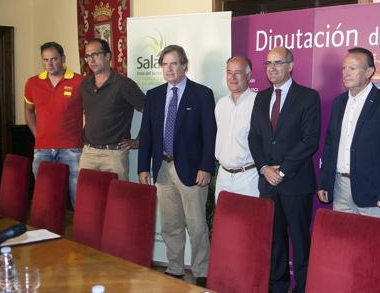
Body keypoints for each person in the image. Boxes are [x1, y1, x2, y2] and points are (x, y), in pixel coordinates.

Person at [137, 45, 216, 287]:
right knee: (170, 224)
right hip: (162, 168)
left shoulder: (202, 94)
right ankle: (175, 267)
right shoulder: (154, 95)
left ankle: (202, 270)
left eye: (174, 63)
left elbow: (209, 134)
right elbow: (147, 134)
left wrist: (206, 167)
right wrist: (143, 167)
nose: (169, 68)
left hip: (192, 170)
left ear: (184, 65)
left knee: (196, 225)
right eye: (164, 64)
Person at [248, 47, 320, 293]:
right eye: (268, 63)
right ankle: (277, 286)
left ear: (290, 66)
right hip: (268, 182)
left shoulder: (308, 97)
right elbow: (254, 137)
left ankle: (303, 288)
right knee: (273, 240)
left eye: (278, 63)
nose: (272, 68)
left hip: (296, 182)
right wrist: (264, 168)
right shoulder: (260, 97)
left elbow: (310, 140)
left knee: (300, 241)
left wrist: (284, 170)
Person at [318, 47, 380, 220]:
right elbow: (330, 146)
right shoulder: (339, 103)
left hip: (373, 192)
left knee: (374, 246)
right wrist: (325, 183)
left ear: (369, 71)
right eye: (344, 68)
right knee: (344, 245)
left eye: (352, 68)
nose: (346, 73)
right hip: (340, 188)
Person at [24, 41, 84, 207]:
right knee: (45, 201)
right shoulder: (32, 83)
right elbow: (28, 111)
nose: (49, 64)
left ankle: (79, 233)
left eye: (54, 59)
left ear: (63, 58)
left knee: (78, 200)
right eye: (45, 60)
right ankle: (48, 233)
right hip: (42, 150)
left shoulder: (80, 82)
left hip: (72, 149)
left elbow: (91, 112)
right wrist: (39, 136)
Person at [79, 38, 145, 181]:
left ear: (108, 56)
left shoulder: (124, 85)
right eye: (88, 56)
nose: (91, 60)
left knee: (116, 201)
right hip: (88, 153)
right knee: (88, 201)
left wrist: (140, 141)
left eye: (95, 54)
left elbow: (150, 112)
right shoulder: (85, 84)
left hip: (114, 155)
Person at [214, 56, 258, 201]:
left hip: (248, 178)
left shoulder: (258, 103)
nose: (232, 77)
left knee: (248, 223)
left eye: (238, 72)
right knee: (224, 222)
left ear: (249, 75)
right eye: (229, 72)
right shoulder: (221, 104)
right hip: (223, 177)